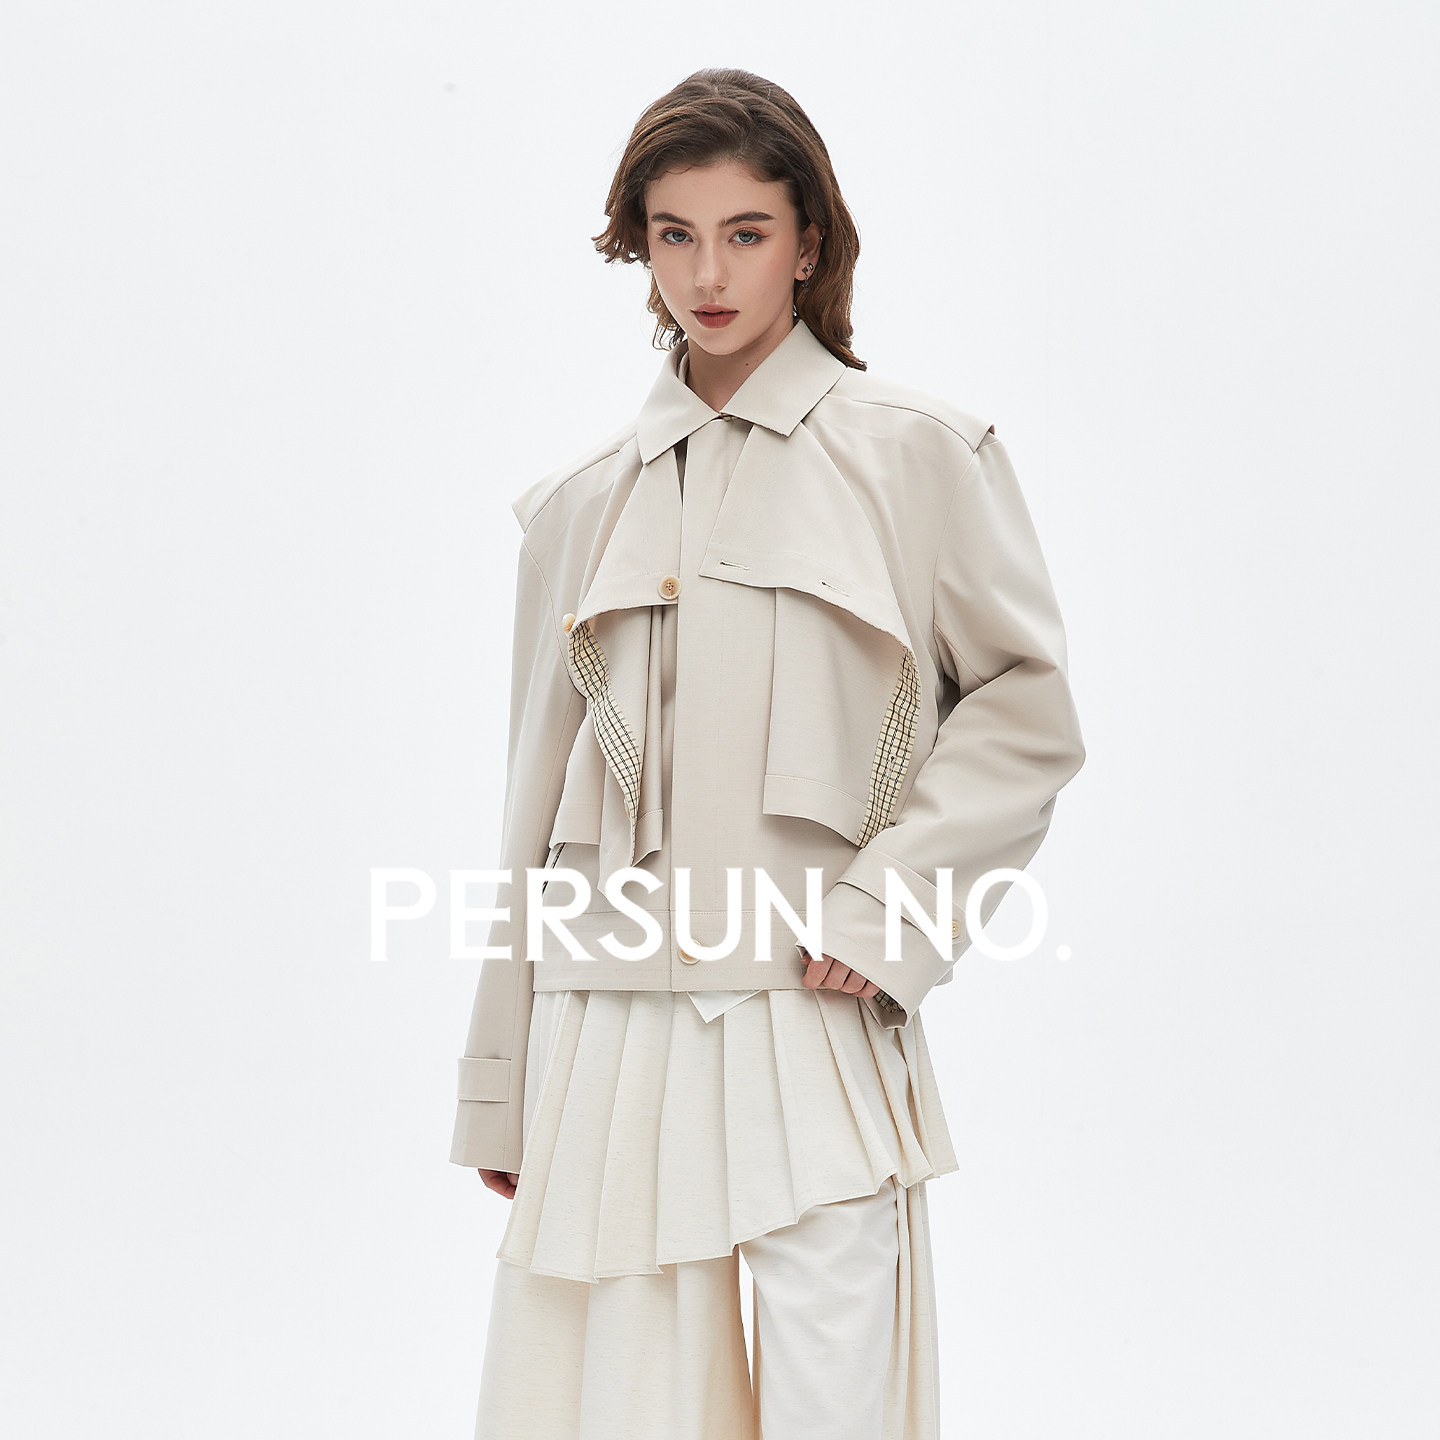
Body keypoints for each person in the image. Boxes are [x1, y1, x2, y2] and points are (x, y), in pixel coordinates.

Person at [448, 67, 1085, 1440]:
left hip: (815, 1000)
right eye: (673, 234)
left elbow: (1027, 710)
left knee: (837, 1395)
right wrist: (500, 1084)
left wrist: (892, 909)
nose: (707, 274)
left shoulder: (920, 457)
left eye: (745, 232)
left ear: (808, 243)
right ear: (639, 249)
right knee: (616, 1412)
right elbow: (527, 811)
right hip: (609, 1019)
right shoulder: (580, 508)